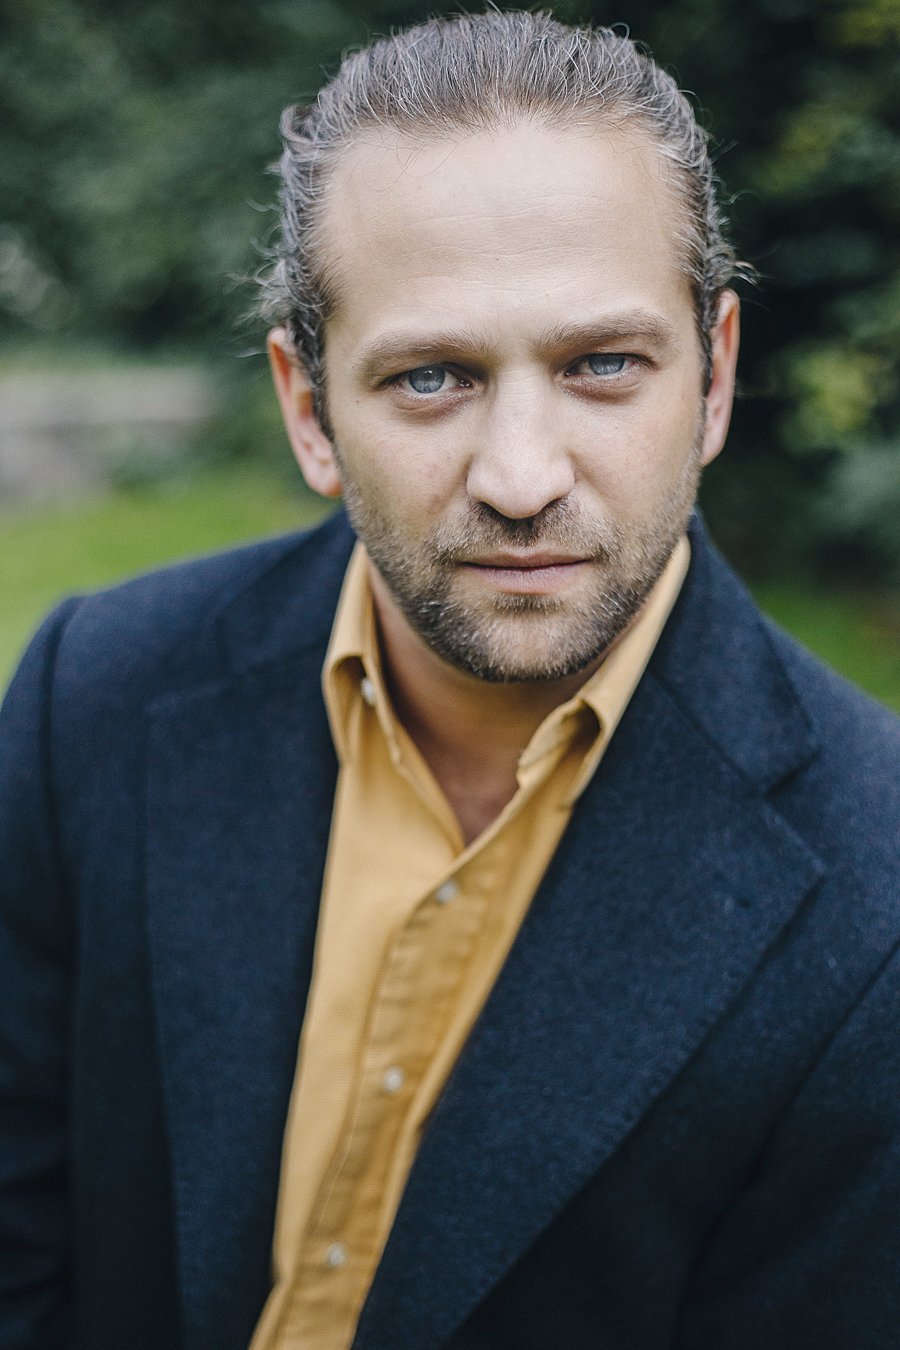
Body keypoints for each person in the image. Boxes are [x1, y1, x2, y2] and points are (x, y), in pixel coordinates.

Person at [2, 12, 900, 1350]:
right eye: (431, 377)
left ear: (714, 378)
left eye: (602, 365)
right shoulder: (95, 694)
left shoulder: (879, 900)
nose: (521, 477)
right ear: (308, 408)